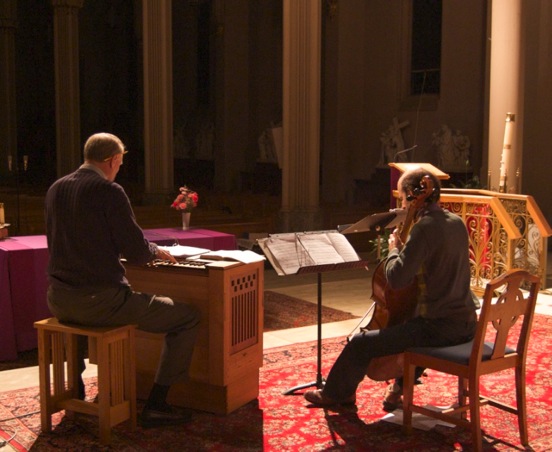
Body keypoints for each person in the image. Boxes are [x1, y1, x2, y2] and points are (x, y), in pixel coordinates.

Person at [45, 132, 200, 428]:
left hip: (58, 298)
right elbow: (137, 252)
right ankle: (157, 404)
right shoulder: (109, 190)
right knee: (187, 316)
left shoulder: (56, 188)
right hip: (100, 301)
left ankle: (76, 391)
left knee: (82, 317)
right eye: (120, 162)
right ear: (113, 159)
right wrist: (156, 250)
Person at [304, 168, 478, 410]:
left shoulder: (423, 228)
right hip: (468, 324)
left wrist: (395, 248)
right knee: (411, 326)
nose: (403, 205)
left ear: (410, 195)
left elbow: (396, 279)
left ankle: (337, 393)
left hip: (439, 328)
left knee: (361, 342)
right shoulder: (457, 222)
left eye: (401, 198)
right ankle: (397, 390)